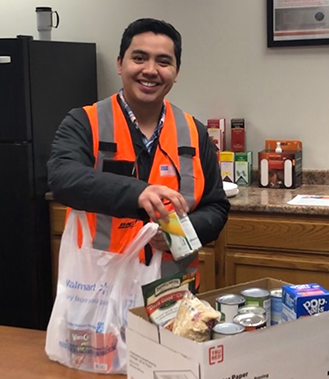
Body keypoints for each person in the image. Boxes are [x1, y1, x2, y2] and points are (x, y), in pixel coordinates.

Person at [47, 18, 230, 284]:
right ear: (120, 64)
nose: (151, 70)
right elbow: (63, 178)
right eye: (140, 58)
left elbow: (216, 207)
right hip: (100, 290)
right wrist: (138, 193)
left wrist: (177, 233)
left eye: (164, 62)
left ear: (176, 72)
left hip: (172, 293)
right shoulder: (84, 122)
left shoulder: (194, 132)